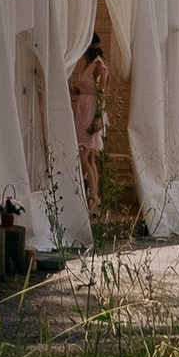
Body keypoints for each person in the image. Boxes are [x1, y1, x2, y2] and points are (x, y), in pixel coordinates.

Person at [68, 36, 106, 223]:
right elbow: (86, 88)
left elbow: (101, 91)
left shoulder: (99, 65)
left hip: (91, 111)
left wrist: (98, 116)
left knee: (84, 156)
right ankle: (93, 197)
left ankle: (94, 198)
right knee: (89, 157)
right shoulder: (88, 65)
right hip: (82, 109)